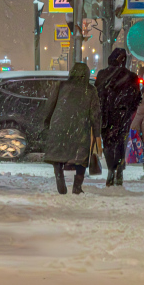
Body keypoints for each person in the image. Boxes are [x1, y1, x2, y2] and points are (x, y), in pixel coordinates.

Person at [41, 62, 101, 195]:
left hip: (60, 123)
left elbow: (50, 104)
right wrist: (97, 133)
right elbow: (95, 114)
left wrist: (46, 121)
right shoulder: (90, 90)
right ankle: (77, 186)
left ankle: (59, 175)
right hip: (80, 126)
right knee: (81, 156)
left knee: (58, 153)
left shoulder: (62, 86)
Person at [94, 48, 142, 187]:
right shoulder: (131, 77)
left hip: (107, 115)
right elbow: (137, 98)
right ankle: (119, 169)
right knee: (121, 142)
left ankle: (110, 170)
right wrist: (129, 110)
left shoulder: (102, 74)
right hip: (123, 115)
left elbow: (97, 95)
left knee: (108, 143)